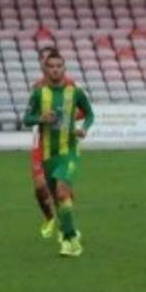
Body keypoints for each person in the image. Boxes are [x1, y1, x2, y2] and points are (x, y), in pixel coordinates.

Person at [23, 48, 94, 257]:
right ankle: (65, 228)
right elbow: (27, 119)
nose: (54, 69)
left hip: (69, 150)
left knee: (62, 191)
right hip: (46, 152)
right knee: (56, 196)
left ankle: (70, 241)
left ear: (64, 67)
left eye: (58, 66)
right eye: (50, 65)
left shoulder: (74, 90)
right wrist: (41, 118)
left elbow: (88, 113)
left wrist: (83, 128)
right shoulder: (38, 91)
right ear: (44, 67)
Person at [28, 47, 82, 240]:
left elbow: (80, 111)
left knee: (62, 188)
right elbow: (30, 116)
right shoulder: (37, 87)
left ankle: (66, 224)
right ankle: (49, 218)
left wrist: (73, 118)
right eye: (44, 61)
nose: (48, 65)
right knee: (40, 186)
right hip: (40, 142)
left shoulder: (69, 85)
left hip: (63, 142)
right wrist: (40, 118)